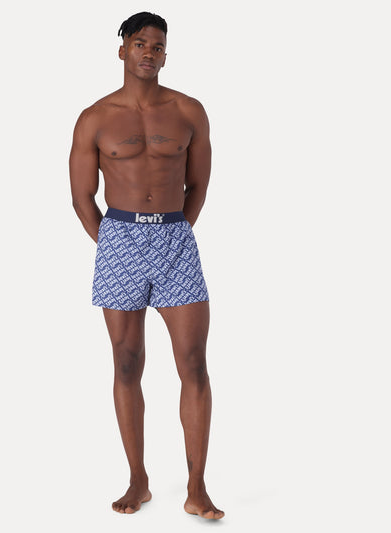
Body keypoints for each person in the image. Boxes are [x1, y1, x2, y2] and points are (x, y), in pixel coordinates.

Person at [69, 12, 224, 520]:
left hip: (176, 240)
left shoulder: (189, 111)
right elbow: (82, 197)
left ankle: (197, 487)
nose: (149, 53)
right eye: (140, 44)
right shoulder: (94, 117)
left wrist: (172, 230)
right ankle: (138, 478)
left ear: (165, 55)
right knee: (127, 362)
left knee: (194, 363)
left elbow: (198, 185)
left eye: (157, 46)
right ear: (122, 51)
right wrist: (115, 244)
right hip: (119, 238)